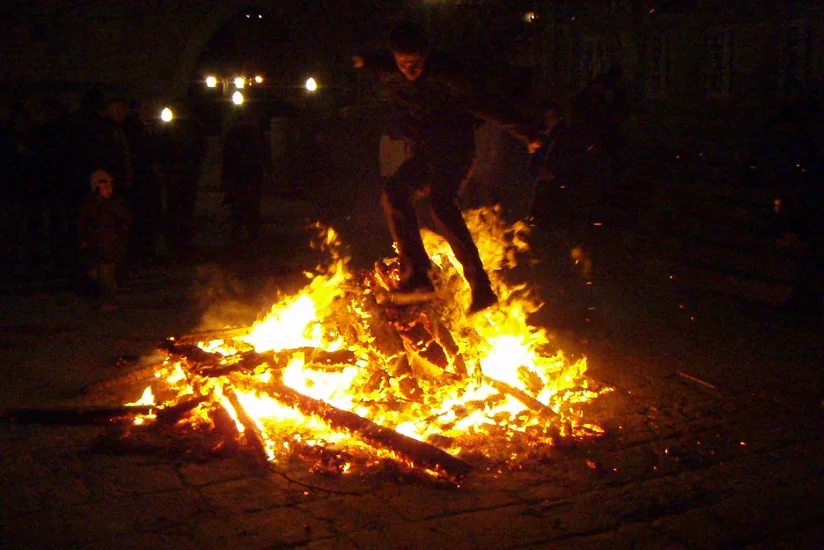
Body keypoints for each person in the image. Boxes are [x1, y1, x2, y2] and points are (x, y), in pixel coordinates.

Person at [352, 22, 543, 314]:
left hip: (455, 152)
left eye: (416, 64)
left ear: (426, 57)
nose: (410, 71)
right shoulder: (389, 69)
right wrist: (360, 60)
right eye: (404, 64)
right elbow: (375, 61)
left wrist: (528, 133)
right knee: (393, 194)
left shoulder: (449, 76)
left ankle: (481, 286)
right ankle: (417, 275)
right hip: (422, 154)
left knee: (441, 204)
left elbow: (486, 105)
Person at [77, 168, 132, 311]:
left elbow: (125, 221)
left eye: (110, 187)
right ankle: (102, 298)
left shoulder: (115, 204)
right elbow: (83, 223)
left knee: (107, 273)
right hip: (95, 245)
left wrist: (118, 235)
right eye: (104, 187)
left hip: (110, 246)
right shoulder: (90, 205)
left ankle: (109, 300)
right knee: (96, 273)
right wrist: (85, 239)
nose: (108, 190)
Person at [220, 103, 273, 245]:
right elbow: (265, 154)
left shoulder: (238, 133)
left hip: (244, 173)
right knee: (249, 205)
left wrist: (225, 176)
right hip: (248, 173)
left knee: (242, 205)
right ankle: (247, 233)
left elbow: (227, 156)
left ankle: (240, 233)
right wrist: (269, 170)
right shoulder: (254, 134)